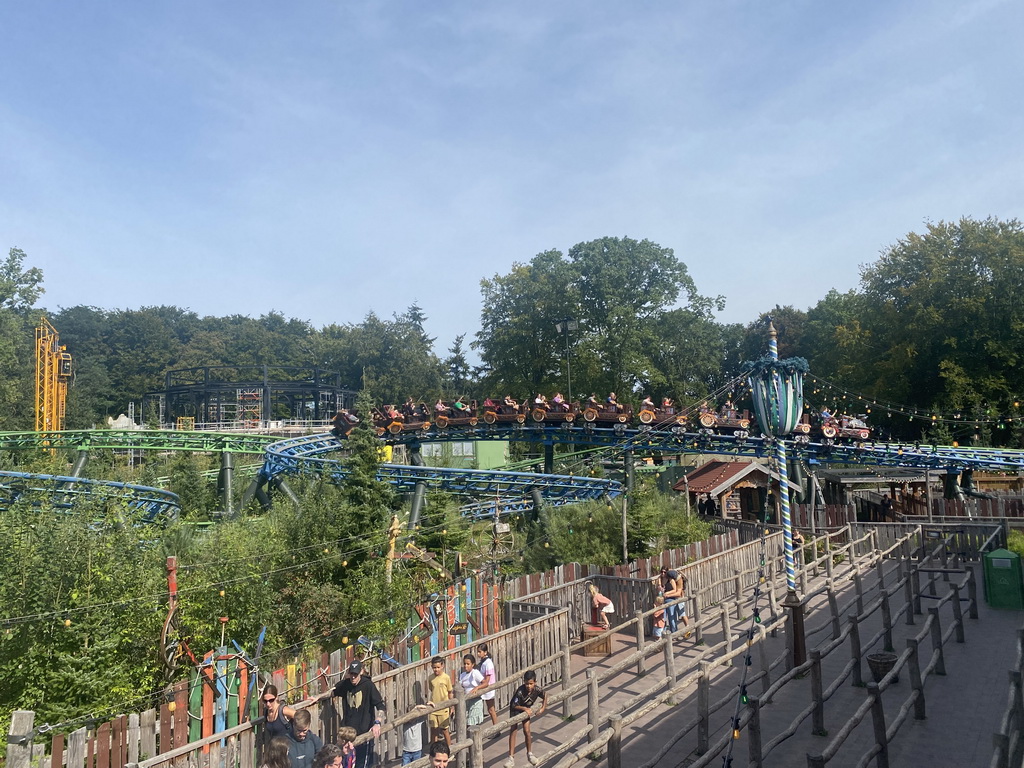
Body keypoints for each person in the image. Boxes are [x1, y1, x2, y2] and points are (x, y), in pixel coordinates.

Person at [332, 661, 385, 768]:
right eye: (351, 674)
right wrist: (318, 697)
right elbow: (332, 691)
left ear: (361, 672)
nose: (353, 677)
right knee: (345, 764)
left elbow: (381, 706)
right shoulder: (345, 684)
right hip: (347, 734)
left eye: (355, 674)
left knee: (362, 764)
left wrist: (377, 722)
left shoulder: (368, 685)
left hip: (363, 734)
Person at [505, 670, 546, 767]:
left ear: (535, 682)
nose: (529, 686)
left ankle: (529, 753)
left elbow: (545, 695)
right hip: (516, 709)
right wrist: (524, 708)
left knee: (527, 731)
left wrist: (543, 708)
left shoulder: (537, 690)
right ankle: (511, 758)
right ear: (524, 682)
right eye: (527, 683)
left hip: (526, 710)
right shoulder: (520, 691)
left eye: (531, 684)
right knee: (513, 730)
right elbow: (514, 704)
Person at [426, 656, 453, 747]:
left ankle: (450, 749)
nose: (436, 669)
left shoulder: (446, 678)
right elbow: (431, 689)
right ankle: (434, 749)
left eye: (438, 667)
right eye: (434, 667)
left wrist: (451, 706)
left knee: (445, 730)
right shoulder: (430, 678)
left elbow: (450, 692)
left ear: (442, 666)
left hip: (444, 708)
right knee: (433, 730)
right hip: (433, 708)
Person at [459, 654, 487, 727]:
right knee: (466, 723)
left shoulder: (475, 673)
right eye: (464, 664)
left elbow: (485, 683)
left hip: (475, 700)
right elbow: (460, 686)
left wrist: (477, 687)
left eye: (468, 664)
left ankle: (475, 738)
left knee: (472, 723)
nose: (466, 666)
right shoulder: (462, 675)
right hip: (466, 701)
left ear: (472, 664)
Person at [476, 644, 498, 726]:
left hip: (488, 688)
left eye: (480, 652)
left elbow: (488, 680)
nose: (478, 654)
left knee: (491, 709)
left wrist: (479, 687)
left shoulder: (488, 663)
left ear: (485, 652)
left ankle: (496, 728)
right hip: (483, 687)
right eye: (477, 652)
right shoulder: (482, 662)